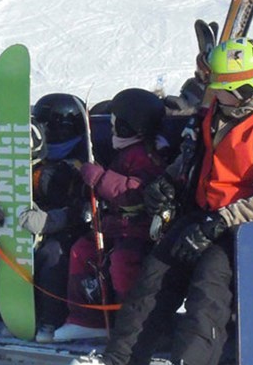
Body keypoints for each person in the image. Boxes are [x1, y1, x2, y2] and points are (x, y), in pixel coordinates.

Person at [67, 38, 253, 365]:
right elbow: (199, 161)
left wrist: (218, 223)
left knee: (211, 279)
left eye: (220, 89)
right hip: (212, 214)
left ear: (246, 90)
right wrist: (170, 183)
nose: (213, 94)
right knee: (156, 273)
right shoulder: (224, 110)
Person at [0, 93, 90, 343]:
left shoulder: (80, 166)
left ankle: (50, 319)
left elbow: (84, 210)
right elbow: (16, 190)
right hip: (25, 225)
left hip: (64, 230)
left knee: (51, 254)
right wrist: (2, 212)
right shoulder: (33, 161)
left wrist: (50, 221)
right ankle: (12, 313)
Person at [53, 88, 168, 342]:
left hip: (138, 228)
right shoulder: (125, 151)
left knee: (123, 262)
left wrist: (100, 178)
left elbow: (134, 191)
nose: (113, 129)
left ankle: (133, 323)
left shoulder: (146, 155)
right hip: (115, 226)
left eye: (116, 123)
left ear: (129, 126)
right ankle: (87, 318)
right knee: (82, 250)